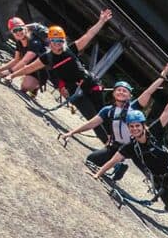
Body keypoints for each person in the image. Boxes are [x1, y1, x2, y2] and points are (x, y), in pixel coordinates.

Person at [89, 78, 168, 228]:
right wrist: (98, 174)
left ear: (143, 125)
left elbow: (167, 112)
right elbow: (114, 160)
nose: (134, 129)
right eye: (131, 127)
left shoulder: (154, 132)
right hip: (160, 180)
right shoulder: (131, 146)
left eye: (137, 126)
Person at [10, 10, 114, 141]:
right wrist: (12, 75)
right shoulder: (47, 58)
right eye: (54, 40)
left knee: (104, 115)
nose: (57, 43)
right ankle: (108, 145)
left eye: (60, 40)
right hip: (74, 91)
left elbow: (89, 35)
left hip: (89, 84)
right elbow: (28, 68)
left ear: (63, 40)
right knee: (92, 118)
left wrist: (101, 21)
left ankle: (116, 143)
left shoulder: (71, 49)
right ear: (50, 40)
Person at [60, 63, 168, 180]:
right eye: (118, 90)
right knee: (91, 160)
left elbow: (148, 92)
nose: (121, 92)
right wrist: (71, 133)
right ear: (113, 93)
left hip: (136, 146)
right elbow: (91, 123)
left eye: (125, 91)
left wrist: (161, 77)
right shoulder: (107, 110)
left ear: (129, 95)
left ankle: (163, 183)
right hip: (116, 147)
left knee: (150, 172)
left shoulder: (133, 108)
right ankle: (119, 167)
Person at [0, 18, 48, 94]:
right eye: (14, 30)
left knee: (25, 87)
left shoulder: (35, 42)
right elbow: (16, 60)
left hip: (40, 71)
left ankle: (36, 86)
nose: (18, 32)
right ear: (12, 33)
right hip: (27, 67)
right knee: (5, 73)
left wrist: (9, 72)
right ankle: (25, 76)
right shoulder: (19, 42)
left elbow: (24, 61)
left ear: (25, 28)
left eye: (20, 29)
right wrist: (0, 69)